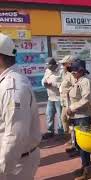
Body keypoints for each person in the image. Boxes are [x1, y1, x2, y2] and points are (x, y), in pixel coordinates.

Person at [0, 33, 41, 179]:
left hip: (13, 165)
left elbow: (14, 136)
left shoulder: (12, 87)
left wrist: (2, 169)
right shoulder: (7, 81)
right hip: (13, 159)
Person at [67, 60, 91, 180]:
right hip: (76, 116)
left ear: (81, 70)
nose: (72, 72)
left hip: (83, 116)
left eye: (75, 70)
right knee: (78, 143)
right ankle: (84, 165)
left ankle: (87, 169)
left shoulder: (85, 81)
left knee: (84, 145)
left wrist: (72, 108)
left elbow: (86, 99)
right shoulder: (77, 80)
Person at [41, 57, 64, 139]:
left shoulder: (61, 71)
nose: (49, 68)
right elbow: (43, 79)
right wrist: (44, 83)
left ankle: (61, 133)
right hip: (50, 97)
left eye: (50, 67)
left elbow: (64, 85)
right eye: (47, 67)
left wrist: (53, 84)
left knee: (60, 116)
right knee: (49, 115)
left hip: (59, 98)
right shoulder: (48, 71)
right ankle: (50, 131)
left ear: (54, 65)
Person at [59, 55, 77, 152]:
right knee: (64, 119)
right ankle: (71, 138)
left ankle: (74, 142)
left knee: (71, 122)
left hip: (70, 102)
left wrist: (67, 91)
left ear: (69, 64)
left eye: (64, 64)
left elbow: (76, 86)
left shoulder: (73, 74)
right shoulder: (65, 74)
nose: (62, 66)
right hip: (64, 101)